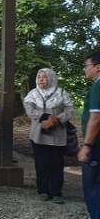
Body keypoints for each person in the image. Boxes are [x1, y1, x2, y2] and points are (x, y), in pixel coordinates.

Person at [23, 68, 74, 203]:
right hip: (38, 134)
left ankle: (57, 192)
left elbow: (69, 109)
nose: (41, 79)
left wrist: (57, 119)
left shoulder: (61, 93)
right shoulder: (33, 94)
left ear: (51, 78)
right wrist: (47, 116)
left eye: (44, 77)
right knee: (41, 163)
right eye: (39, 76)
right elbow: (30, 111)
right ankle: (43, 190)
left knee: (57, 163)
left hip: (57, 133)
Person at [72, 51, 100, 219]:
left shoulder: (98, 87)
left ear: (98, 67)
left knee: (93, 183)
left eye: (87, 65)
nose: (84, 69)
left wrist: (86, 144)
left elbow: (96, 117)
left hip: (97, 145)